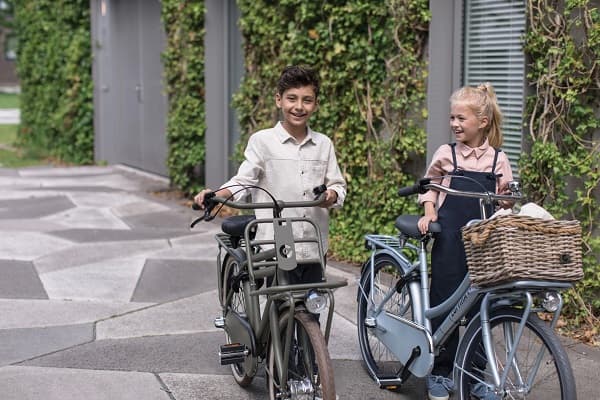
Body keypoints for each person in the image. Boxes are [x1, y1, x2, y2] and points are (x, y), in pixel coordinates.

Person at [194, 65, 346, 285]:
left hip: (313, 242)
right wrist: (217, 194)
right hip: (277, 241)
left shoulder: (324, 144)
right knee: (279, 306)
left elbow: (338, 186)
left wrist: (331, 194)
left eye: (307, 100)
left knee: (313, 307)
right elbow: (244, 181)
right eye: (292, 99)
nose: (299, 107)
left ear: (316, 104)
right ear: (279, 100)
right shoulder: (262, 141)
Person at [417, 83, 514, 400]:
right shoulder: (447, 154)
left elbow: (503, 199)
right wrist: (429, 213)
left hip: (483, 244)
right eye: (452, 118)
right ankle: (441, 372)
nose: (455, 124)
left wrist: (508, 201)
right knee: (444, 304)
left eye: (462, 118)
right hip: (449, 239)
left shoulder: (498, 159)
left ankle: (475, 375)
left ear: (482, 121)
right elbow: (430, 186)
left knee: (480, 307)